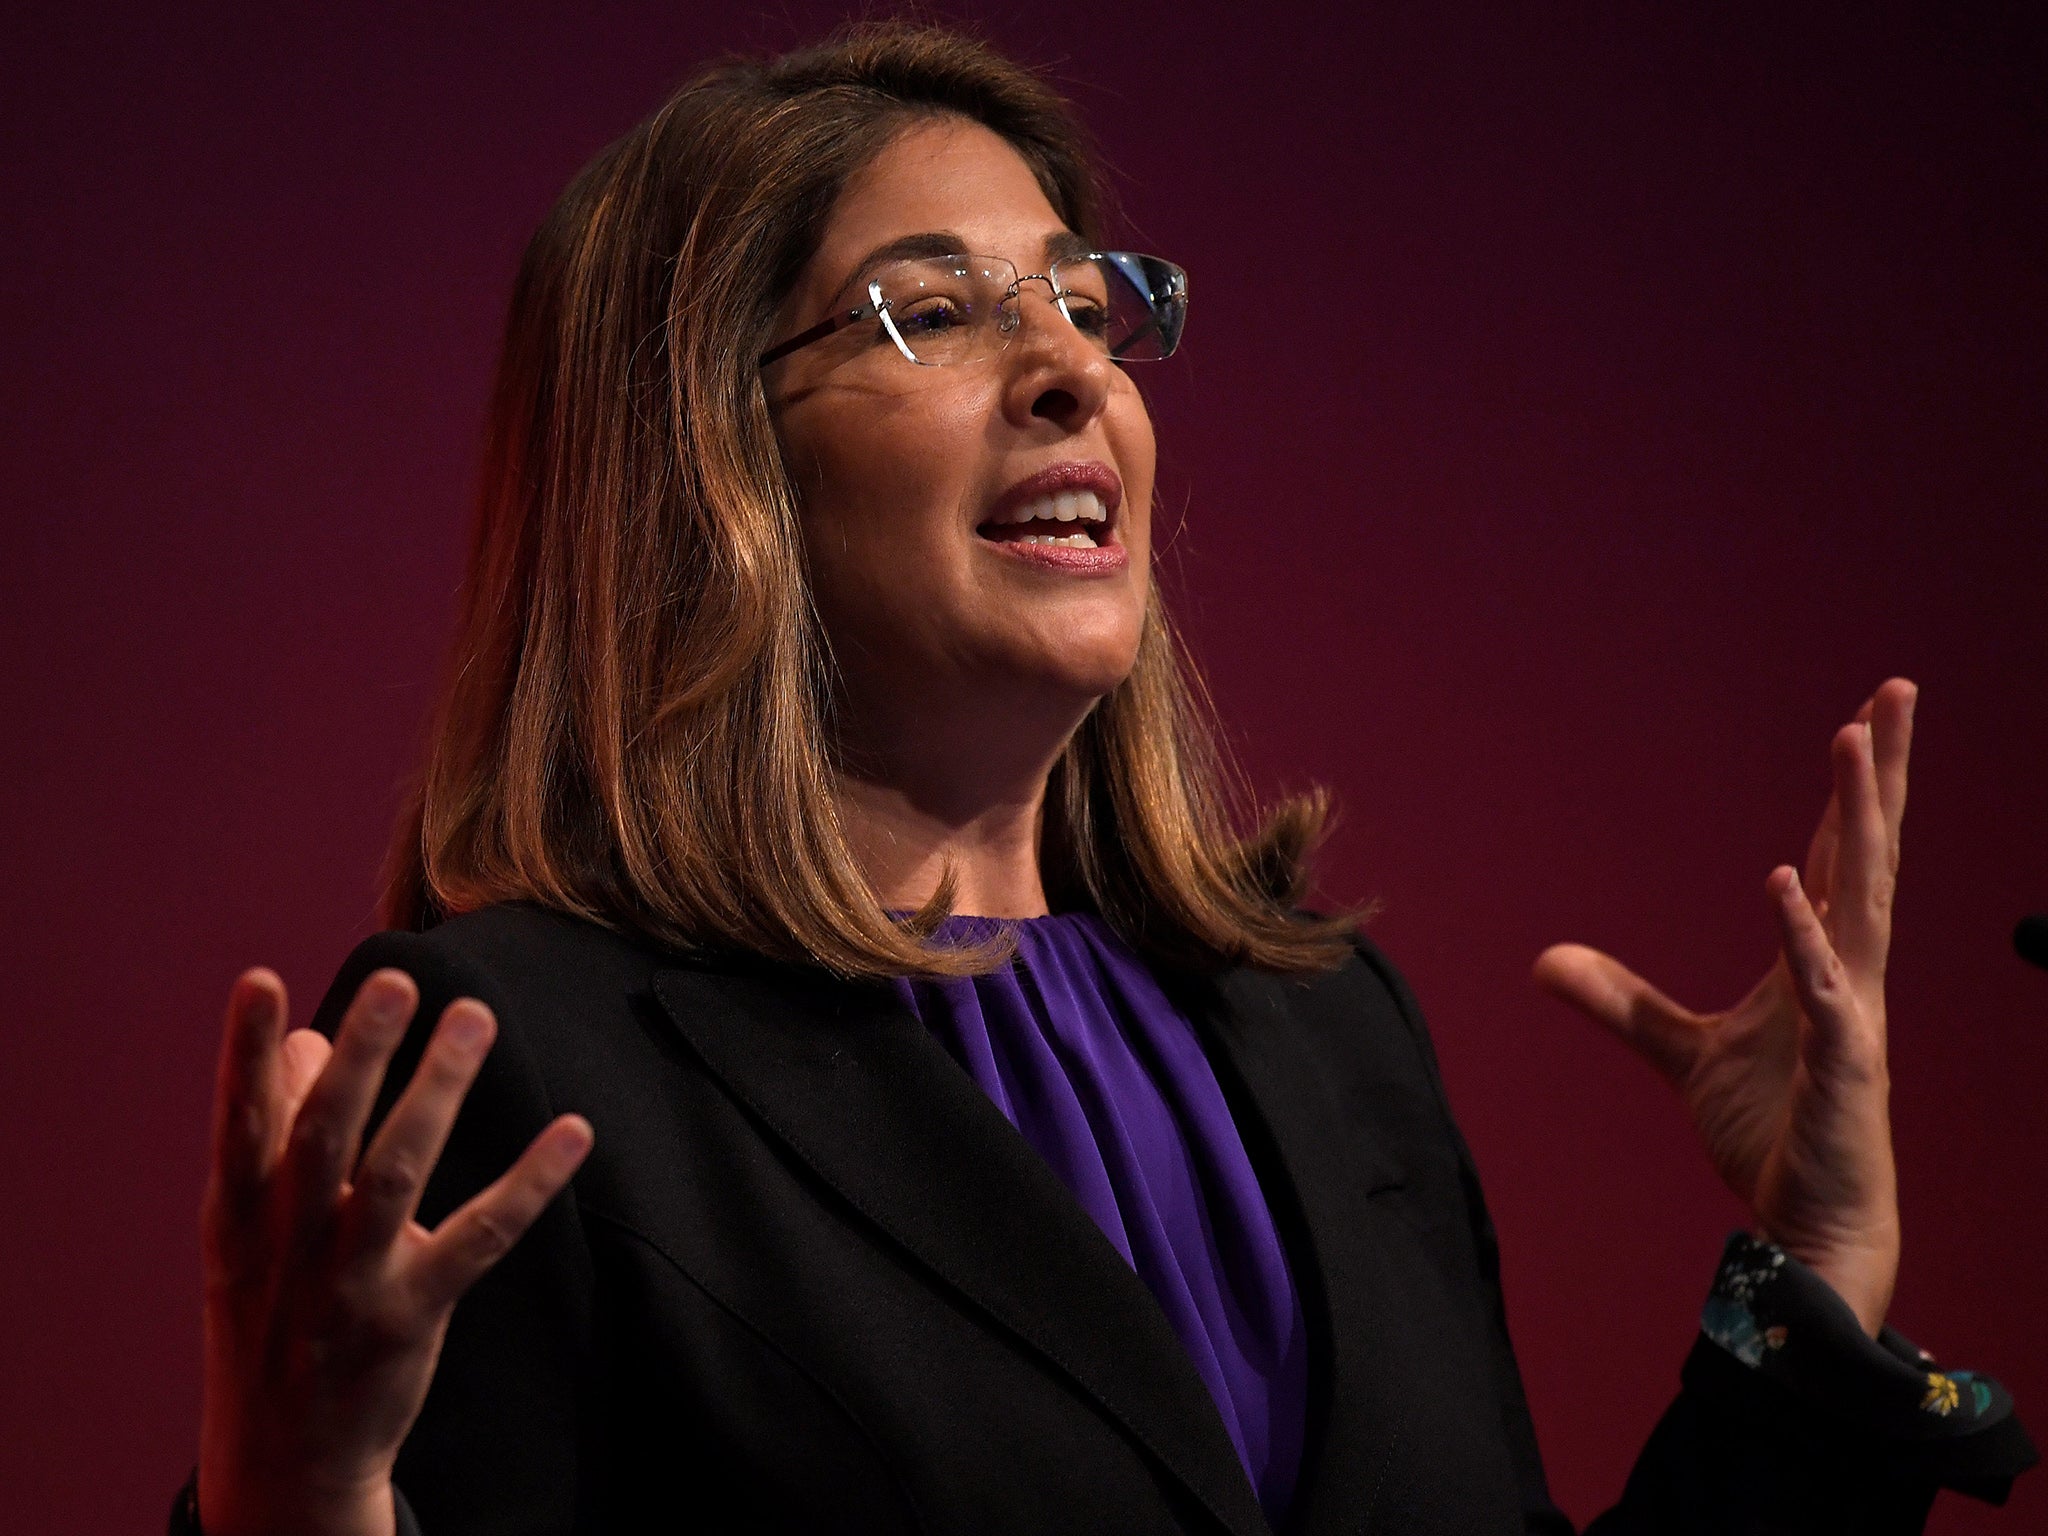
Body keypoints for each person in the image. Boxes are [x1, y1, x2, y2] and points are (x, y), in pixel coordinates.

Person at [176, 22, 2035, 1536]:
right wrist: (306, 1498)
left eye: (1088, 300)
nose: (1073, 366)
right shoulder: (507, 1058)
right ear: (701, 469)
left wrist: (1816, 1261)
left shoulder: (1318, 1025)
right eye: (933, 309)